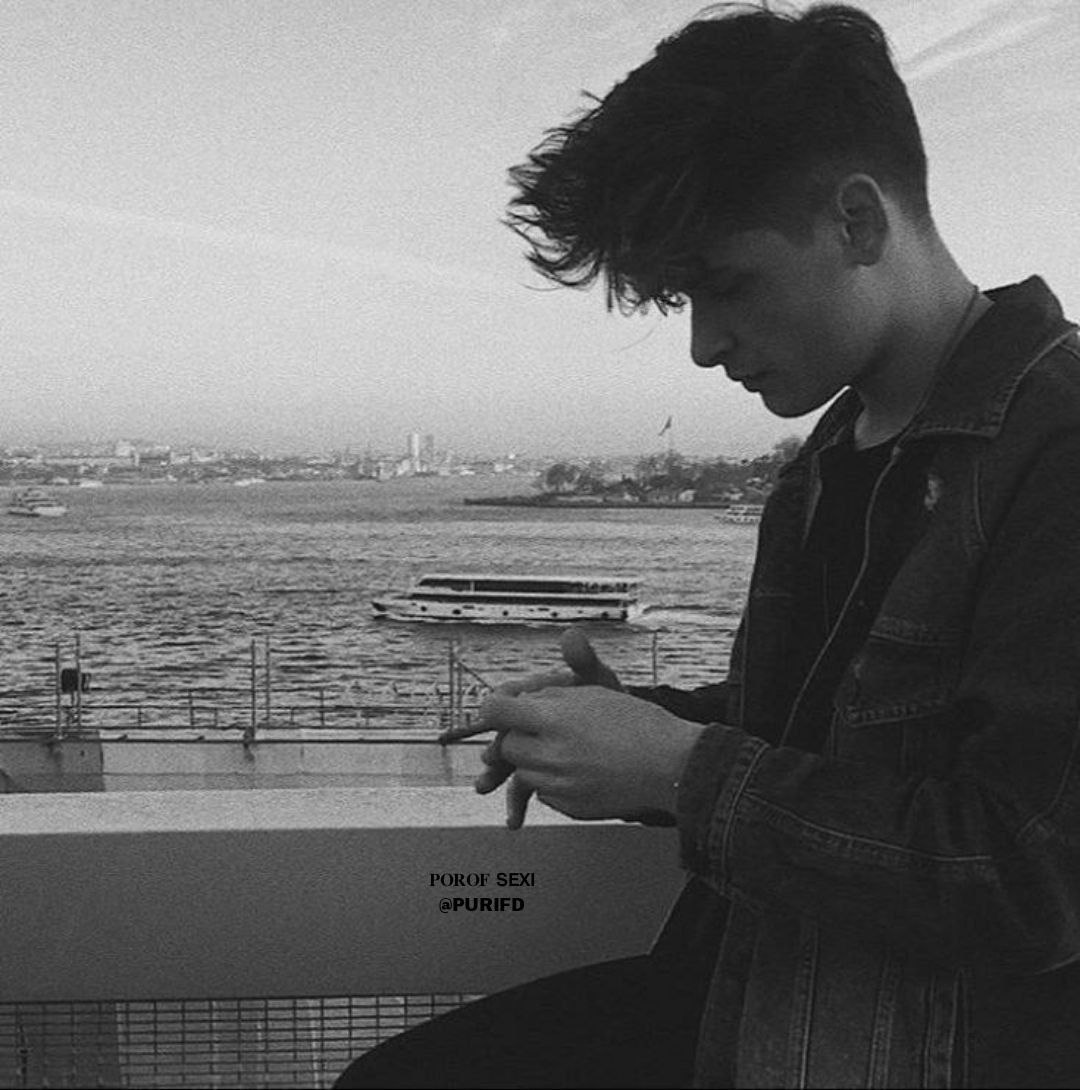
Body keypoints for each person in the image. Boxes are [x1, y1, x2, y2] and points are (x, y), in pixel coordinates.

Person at [335, 3, 1080, 1087]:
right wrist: (636, 729)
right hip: (758, 992)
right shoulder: (834, 455)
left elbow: (1034, 877)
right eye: (686, 297)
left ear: (857, 222)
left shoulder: (1058, 451)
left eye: (726, 285)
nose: (702, 344)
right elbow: (846, 739)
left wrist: (680, 769)